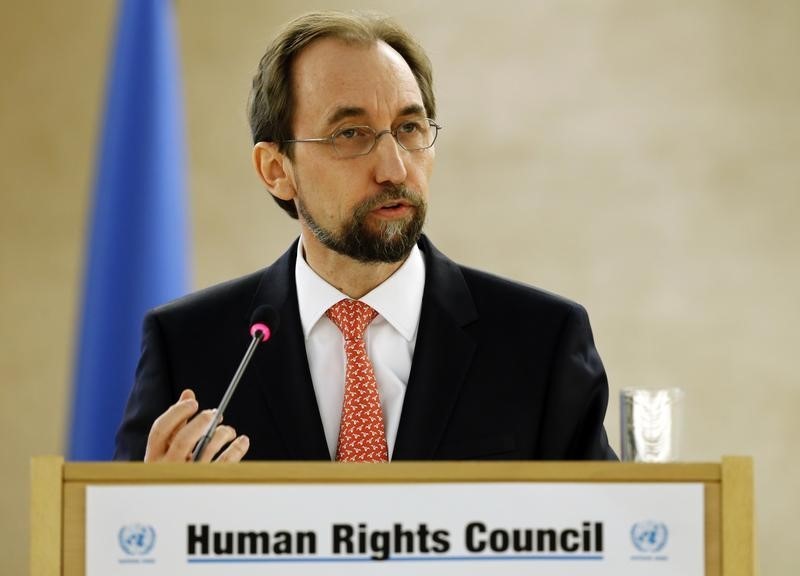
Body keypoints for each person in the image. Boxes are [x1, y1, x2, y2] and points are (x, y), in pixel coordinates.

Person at [115, 11, 616, 463]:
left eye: (410, 128)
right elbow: (119, 552)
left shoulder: (542, 343)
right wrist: (158, 514)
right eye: (351, 134)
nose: (394, 168)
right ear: (276, 170)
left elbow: (607, 547)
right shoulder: (189, 348)